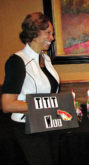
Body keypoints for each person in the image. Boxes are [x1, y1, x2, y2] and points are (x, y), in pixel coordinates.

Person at [1, 12, 60, 165]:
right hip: (28, 129)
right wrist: (45, 107)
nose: (52, 38)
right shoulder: (17, 61)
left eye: (52, 33)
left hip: (47, 124)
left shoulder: (45, 58)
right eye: (48, 33)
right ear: (34, 33)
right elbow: (7, 105)